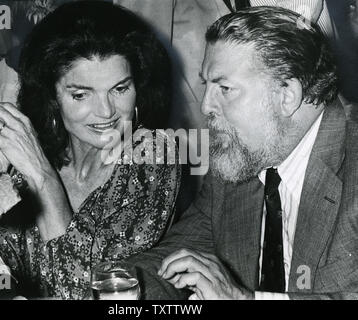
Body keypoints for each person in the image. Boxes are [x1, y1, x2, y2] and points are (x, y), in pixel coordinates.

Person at [128, 6, 358, 300]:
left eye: (224, 88)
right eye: (206, 85)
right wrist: (115, 289)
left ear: (287, 95)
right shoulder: (241, 158)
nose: (205, 107)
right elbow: (175, 258)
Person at [0, 1, 180, 299]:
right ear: (52, 98)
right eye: (80, 94)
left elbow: (83, 293)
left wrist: (43, 179)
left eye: (120, 89)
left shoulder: (153, 156)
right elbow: (5, 256)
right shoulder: (42, 150)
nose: (106, 112)